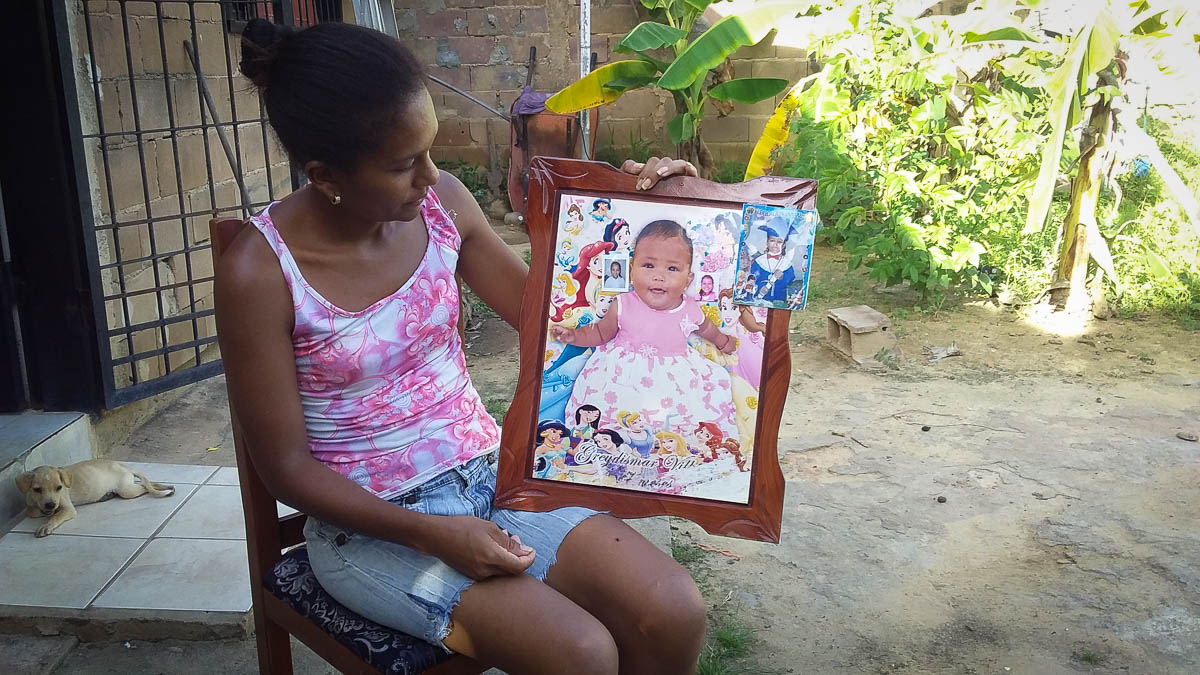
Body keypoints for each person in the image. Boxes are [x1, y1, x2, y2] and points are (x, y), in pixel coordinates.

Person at [215, 19, 705, 674]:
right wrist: (432, 534)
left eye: (429, 151)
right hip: (370, 528)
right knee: (583, 653)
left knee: (673, 609)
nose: (430, 176)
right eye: (402, 165)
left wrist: (638, 209)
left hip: (492, 474)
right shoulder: (258, 271)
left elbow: (551, 320)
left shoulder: (441, 204)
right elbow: (286, 469)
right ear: (325, 174)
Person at [552, 220, 741, 450]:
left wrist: (723, 341)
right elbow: (600, 333)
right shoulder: (623, 304)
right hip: (622, 377)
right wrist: (574, 336)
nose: (658, 276)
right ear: (632, 269)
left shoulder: (689, 309)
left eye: (672, 269)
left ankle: (669, 447)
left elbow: (706, 328)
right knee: (615, 414)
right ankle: (617, 445)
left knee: (685, 414)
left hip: (673, 379)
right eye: (649, 265)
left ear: (688, 279)